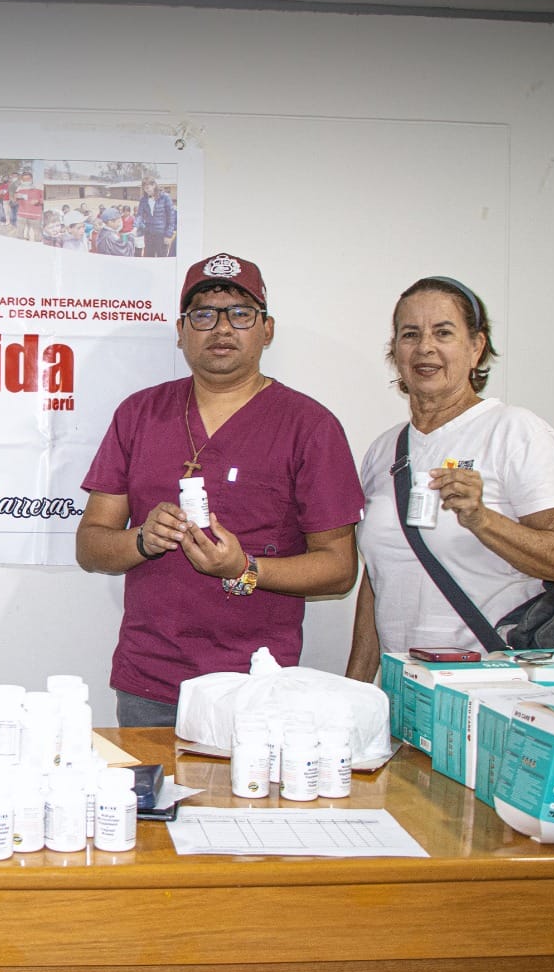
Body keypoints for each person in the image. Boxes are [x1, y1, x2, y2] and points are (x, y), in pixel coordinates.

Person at [76, 253, 363, 726]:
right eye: (204, 314)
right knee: (152, 801)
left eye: (240, 313)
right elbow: (91, 545)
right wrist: (142, 540)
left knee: (248, 801)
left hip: (257, 684)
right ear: (181, 330)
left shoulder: (309, 426)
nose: (222, 328)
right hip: (152, 680)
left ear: (266, 330)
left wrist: (245, 568)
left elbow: (338, 568)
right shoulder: (140, 415)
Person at [346, 277, 554, 677]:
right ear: (395, 352)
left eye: (443, 332)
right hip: (408, 688)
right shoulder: (383, 450)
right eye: (410, 334)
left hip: (496, 686)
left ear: (476, 347)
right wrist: (355, 687)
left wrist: (482, 520)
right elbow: (379, 578)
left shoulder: (513, 430)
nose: (425, 347)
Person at [136, 178, 178, 257]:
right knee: (148, 257)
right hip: (148, 234)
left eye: (148, 188)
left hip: (161, 234)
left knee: (161, 257)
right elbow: (139, 215)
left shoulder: (165, 197)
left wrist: (168, 235)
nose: (146, 190)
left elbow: (171, 217)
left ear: (154, 185)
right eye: (144, 188)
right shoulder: (143, 199)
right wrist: (136, 226)